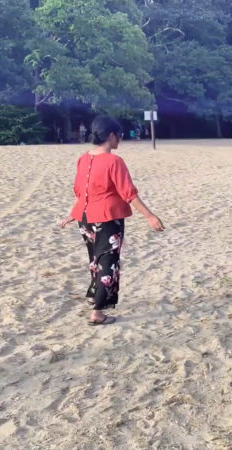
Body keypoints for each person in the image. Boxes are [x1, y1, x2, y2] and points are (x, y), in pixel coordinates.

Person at [59, 116, 165, 325]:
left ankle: (93, 294)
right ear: (111, 135)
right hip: (107, 219)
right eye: (120, 136)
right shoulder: (114, 161)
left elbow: (81, 190)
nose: (121, 140)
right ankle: (98, 313)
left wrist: (74, 213)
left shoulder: (84, 158)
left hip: (86, 218)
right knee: (108, 263)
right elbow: (129, 194)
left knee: (95, 259)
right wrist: (150, 216)